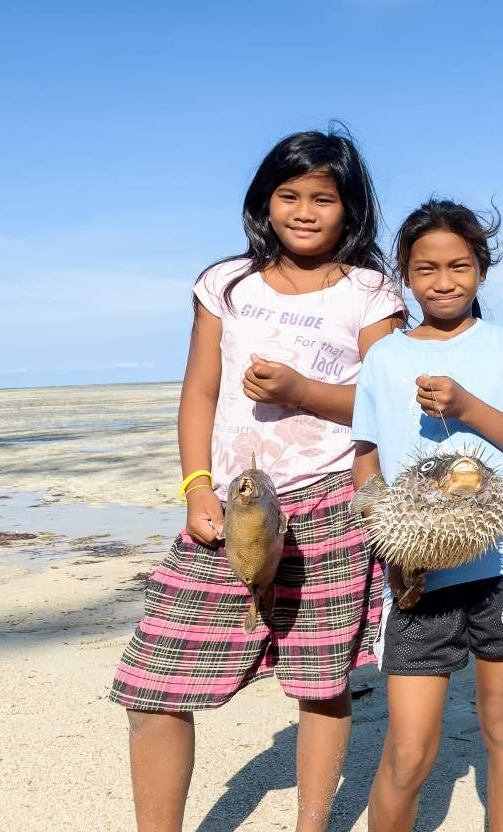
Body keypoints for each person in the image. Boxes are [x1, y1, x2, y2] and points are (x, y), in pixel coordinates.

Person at [110, 130, 405, 832]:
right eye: (289, 195)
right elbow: (199, 391)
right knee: (153, 685)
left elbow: (388, 402)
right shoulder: (225, 282)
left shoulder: (371, 291)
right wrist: (195, 486)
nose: (305, 211)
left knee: (320, 683)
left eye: (323, 199)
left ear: (351, 207)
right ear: (264, 201)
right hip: (232, 502)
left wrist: (305, 389)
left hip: (331, 502)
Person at [350, 199, 503, 832]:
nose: (444, 282)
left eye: (460, 266)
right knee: (410, 749)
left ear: (483, 270)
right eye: (426, 269)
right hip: (416, 577)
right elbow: (366, 465)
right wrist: (387, 546)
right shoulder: (384, 358)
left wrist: (468, 408)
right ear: (405, 277)